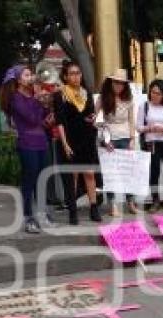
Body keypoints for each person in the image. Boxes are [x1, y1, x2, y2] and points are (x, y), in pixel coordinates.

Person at [0, 64, 52, 233]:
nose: (31, 77)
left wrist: (48, 109)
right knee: (29, 180)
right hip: (27, 144)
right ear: (19, 80)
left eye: (31, 74)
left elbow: (41, 118)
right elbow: (31, 118)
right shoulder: (15, 98)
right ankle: (28, 217)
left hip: (42, 141)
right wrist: (38, 99)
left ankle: (42, 214)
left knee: (42, 179)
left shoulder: (32, 95)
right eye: (27, 75)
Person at [54, 60, 100, 224]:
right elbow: (59, 121)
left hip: (87, 137)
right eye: (72, 74)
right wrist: (65, 143)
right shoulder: (61, 94)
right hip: (70, 138)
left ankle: (94, 208)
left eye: (78, 73)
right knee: (73, 175)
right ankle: (72, 211)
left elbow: (90, 115)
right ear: (65, 77)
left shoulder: (86, 93)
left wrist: (92, 118)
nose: (76, 77)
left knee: (89, 173)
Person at [97, 68, 138, 216]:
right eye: (116, 82)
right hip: (109, 138)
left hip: (125, 137)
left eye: (121, 83)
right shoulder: (102, 99)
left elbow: (131, 120)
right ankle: (113, 205)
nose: (119, 86)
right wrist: (105, 138)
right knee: (110, 173)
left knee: (128, 171)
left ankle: (131, 202)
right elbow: (96, 120)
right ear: (110, 83)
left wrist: (132, 139)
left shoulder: (129, 99)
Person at [137, 79, 163, 212]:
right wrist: (150, 128)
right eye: (153, 92)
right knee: (153, 172)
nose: (155, 95)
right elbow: (138, 127)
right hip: (152, 142)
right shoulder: (144, 106)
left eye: (158, 93)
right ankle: (155, 200)